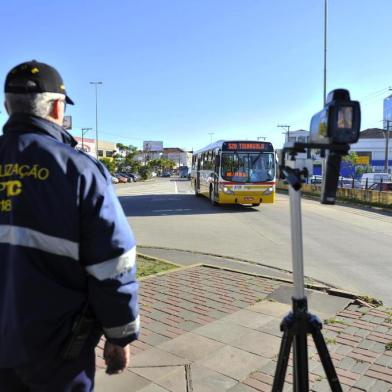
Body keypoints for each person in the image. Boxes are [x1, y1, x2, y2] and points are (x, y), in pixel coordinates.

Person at [0, 60, 140, 391]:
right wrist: (120, 336)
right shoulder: (81, 170)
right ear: (57, 107)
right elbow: (112, 263)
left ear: (8, 106)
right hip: (56, 352)